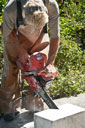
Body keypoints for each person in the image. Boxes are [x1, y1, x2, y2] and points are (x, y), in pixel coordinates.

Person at [0, 0, 60, 121]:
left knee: (39, 67)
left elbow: (55, 36)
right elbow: (7, 31)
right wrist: (20, 51)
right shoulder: (11, 9)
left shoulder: (51, 5)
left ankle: (34, 105)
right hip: (15, 38)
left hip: (40, 37)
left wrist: (50, 63)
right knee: (11, 71)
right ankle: (10, 108)